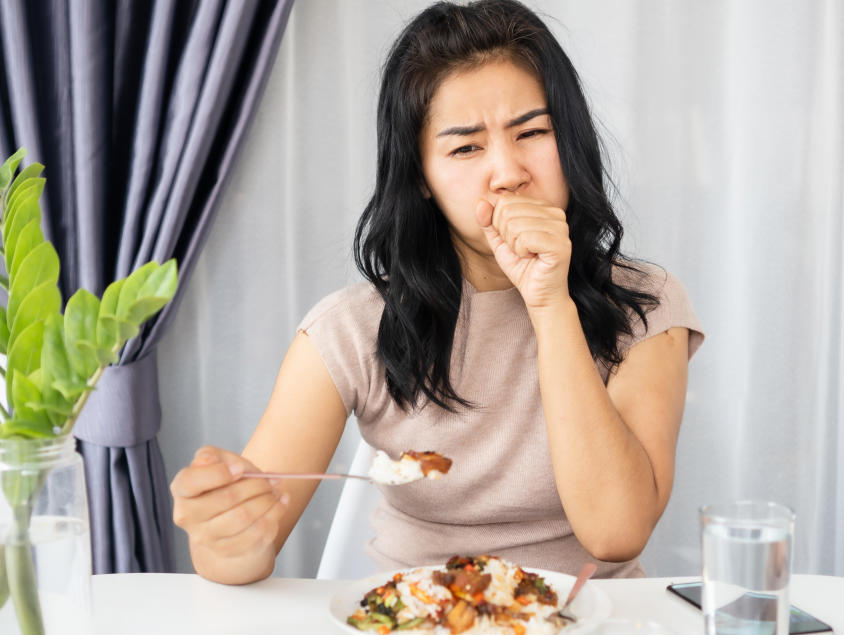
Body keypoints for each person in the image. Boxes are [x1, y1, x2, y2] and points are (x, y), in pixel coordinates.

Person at [170, 0, 704, 585]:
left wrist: (550, 303)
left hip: (596, 621)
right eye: (466, 147)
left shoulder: (645, 306)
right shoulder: (349, 330)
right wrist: (224, 535)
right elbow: (250, 543)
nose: (508, 172)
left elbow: (615, 534)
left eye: (532, 131)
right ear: (421, 178)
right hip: (417, 619)